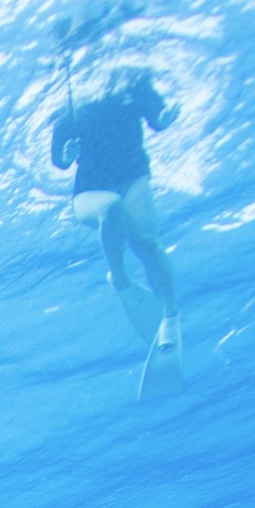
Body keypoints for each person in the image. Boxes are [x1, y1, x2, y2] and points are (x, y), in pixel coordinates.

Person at [50, 66, 180, 352]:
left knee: (147, 243)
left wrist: (165, 118)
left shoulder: (135, 83)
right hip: (89, 192)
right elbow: (58, 159)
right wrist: (66, 155)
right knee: (112, 208)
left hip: (133, 175)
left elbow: (157, 118)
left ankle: (170, 318)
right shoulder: (73, 102)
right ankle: (120, 280)